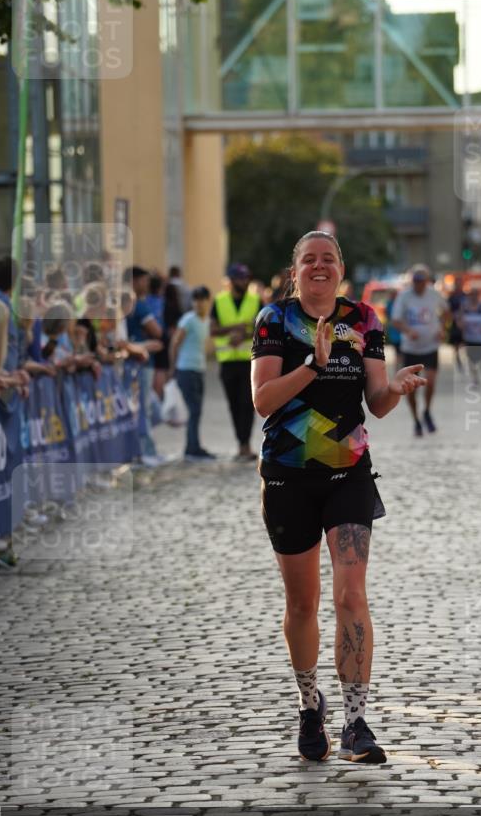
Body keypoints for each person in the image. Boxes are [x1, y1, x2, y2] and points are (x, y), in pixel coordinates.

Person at [251, 230, 428, 765]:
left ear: (342, 267)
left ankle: (355, 721)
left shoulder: (365, 320)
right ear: (295, 269)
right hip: (287, 476)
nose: (319, 267)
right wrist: (314, 364)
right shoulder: (274, 321)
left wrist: (393, 390)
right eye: (309, 260)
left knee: (352, 595)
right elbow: (262, 401)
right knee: (302, 603)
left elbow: (375, 402)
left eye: (328, 258)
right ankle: (310, 705)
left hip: (349, 473)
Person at [211, 263, 261, 460]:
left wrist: (244, 335)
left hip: (250, 361)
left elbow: (263, 329)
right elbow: (213, 330)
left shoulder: (256, 301)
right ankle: (240, 442)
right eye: (240, 278)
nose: (244, 281)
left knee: (247, 403)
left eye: (246, 277)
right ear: (231, 281)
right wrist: (237, 328)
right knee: (234, 404)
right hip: (227, 362)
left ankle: (245, 445)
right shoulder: (219, 301)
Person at [389, 265, 446, 435]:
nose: (419, 285)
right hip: (411, 348)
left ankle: (427, 411)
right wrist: (408, 331)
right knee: (411, 388)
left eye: (422, 281)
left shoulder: (433, 293)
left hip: (430, 346)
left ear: (427, 281)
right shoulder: (404, 296)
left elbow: (447, 311)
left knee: (431, 381)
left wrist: (442, 328)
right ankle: (416, 419)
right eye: (415, 282)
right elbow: (396, 320)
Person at [122, 266, 165, 464]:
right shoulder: (138, 305)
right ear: (134, 281)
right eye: (144, 280)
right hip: (140, 363)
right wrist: (147, 343)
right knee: (143, 409)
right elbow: (156, 332)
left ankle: (144, 450)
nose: (147, 284)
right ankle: (145, 451)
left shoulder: (128, 304)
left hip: (137, 361)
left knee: (144, 408)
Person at [169, 286, 216, 461]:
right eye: (195, 299)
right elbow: (175, 343)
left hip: (199, 369)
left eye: (201, 299)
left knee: (197, 410)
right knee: (194, 410)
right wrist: (173, 368)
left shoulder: (205, 320)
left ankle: (193, 445)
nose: (197, 303)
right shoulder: (188, 319)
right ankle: (192, 448)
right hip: (186, 369)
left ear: (207, 301)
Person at [460, 290, 481, 387]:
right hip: (470, 337)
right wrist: (462, 326)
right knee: (471, 359)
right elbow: (459, 319)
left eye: (475, 295)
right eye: (471, 295)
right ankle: (475, 379)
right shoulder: (464, 307)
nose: (473, 297)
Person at [446, 275, 467, 372]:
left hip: (464, 323)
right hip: (455, 323)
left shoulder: (465, 296)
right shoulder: (452, 297)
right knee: (456, 344)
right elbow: (447, 310)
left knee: (466, 342)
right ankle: (458, 360)